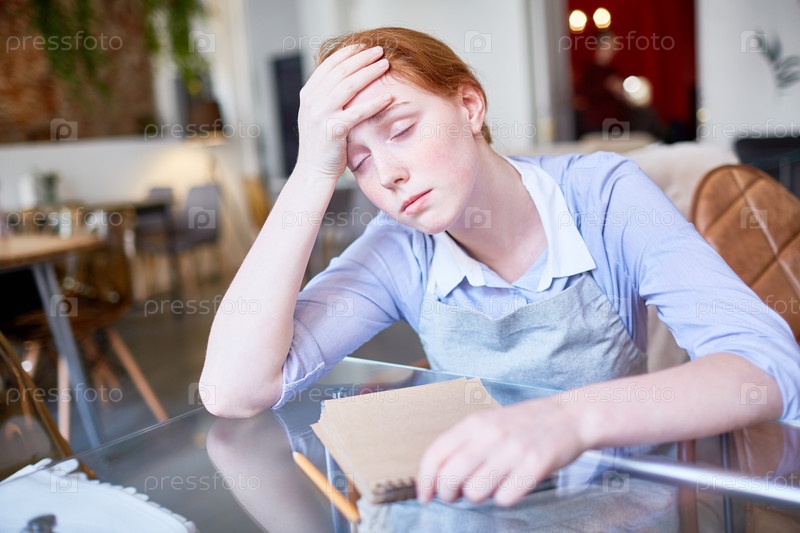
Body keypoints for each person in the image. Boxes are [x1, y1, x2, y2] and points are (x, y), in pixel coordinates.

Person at [200, 27, 800, 508]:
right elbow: (234, 389)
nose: (388, 175)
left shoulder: (603, 197)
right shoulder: (398, 246)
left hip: (617, 508)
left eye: (402, 130)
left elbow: (766, 365)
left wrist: (568, 420)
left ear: (469, 105)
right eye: (356, 163)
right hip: (473, 511)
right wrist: (311, 173)